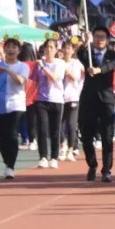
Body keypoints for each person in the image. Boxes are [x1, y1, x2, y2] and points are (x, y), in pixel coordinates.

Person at [77, 27, 115, 182]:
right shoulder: (87, 53)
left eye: (102, 37)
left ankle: (107, 169)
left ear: (107, 40)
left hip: (106, 99)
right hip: (88, 98)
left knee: (107, 136)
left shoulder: (114, 55)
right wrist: (85, 41)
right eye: (96, 36)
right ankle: (92, 164)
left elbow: (111, 66)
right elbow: (79, 53)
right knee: (86, 135)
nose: (99, 39)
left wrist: (98, 70)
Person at [0, 38, 31, 179]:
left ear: (19, 51)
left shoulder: (23, 67)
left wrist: (7, 70)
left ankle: (10, 166)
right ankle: (7, 161)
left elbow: (20, 81)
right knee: (2, 136)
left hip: (16, 104)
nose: (10, 49)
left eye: (14, 47)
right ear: (4, 49)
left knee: (12, 134)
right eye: (8, 47)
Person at [33, 39, 66, 169]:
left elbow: (54, 78)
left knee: (55, 130)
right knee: (42, 129)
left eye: (52, 47)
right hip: (41, 100)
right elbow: (33, 80)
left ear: (56, 50)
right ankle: (43, 157)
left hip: (56, 100)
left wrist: (42, 66)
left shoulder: (60, 63)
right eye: (47, 47)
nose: (49, 50)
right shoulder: (39, 63)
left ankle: (54, 157)